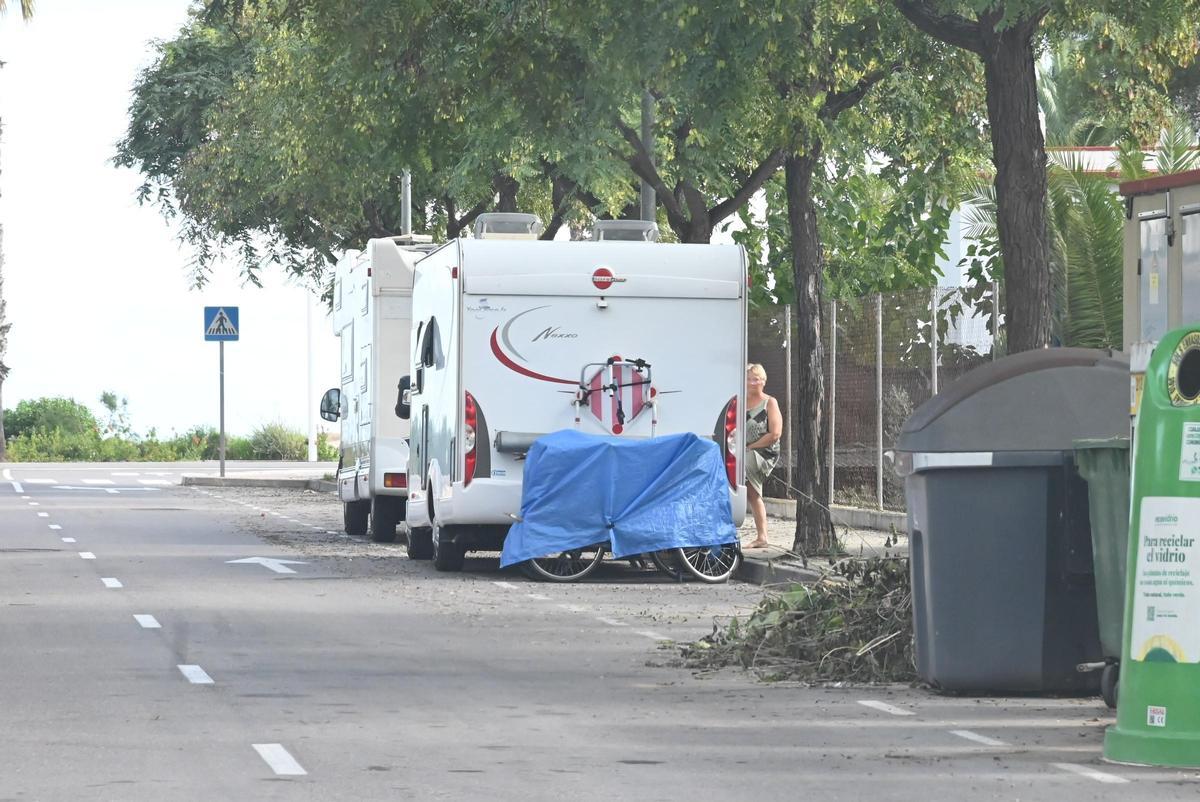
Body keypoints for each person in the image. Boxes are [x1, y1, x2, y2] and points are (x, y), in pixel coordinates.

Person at [743, 363, 782, 548]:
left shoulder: (769, 402)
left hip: (764, 452)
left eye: (756, 379)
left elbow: (775, 434)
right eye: (749, 378)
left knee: (752, 491)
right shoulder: (740, 402)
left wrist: (751, 447)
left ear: (763, 381)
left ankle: (762, 537)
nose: (752, 382)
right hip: (744, 450)